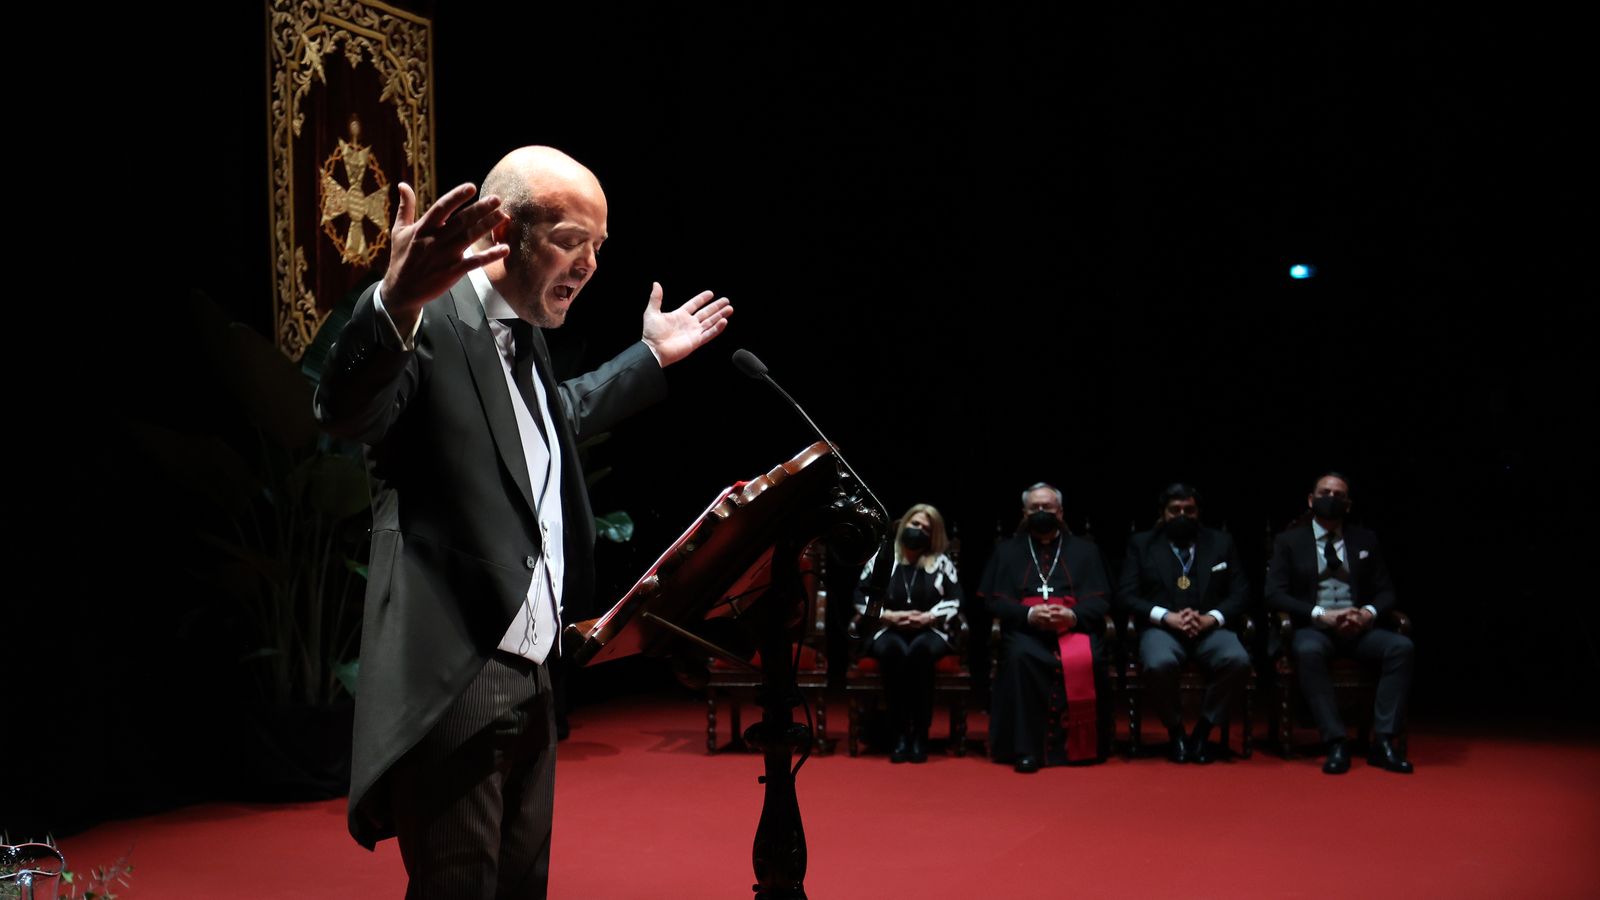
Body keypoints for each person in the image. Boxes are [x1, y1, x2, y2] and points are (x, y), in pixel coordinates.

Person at [314, 145, 733, 897]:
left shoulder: (522, 335)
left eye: (599, 248)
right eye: (573, 242)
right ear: (504, 230)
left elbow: (553, 417)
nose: (590, 266)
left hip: (535, 681)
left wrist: (649, 358)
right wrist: (394, 304)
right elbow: (347, 412)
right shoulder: (431, 322)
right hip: (456, 681)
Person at [1265, 472, 1415, 775]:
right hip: (1315, 628)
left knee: (1401, 647)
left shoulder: (1365, 539)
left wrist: (1367, 613)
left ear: (1348, 504)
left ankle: (1384, 740)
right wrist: (1321, 615)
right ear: (1311, 499)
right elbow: (1274, 595)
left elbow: (1386, 590)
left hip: (1358, 629)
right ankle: (1335, 741)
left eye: (1338, 495)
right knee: (1307, 650)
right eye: (1324, 492)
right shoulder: (1289, 541)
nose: (1330, 499)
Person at [979, 483, 1112, 772]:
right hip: (1025, 629)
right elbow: (993, 602)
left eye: (1048, 507)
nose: (1041, 512)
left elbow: (1101, 601)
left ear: (1061, 512)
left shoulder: (1086, 551)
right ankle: (1026, 750)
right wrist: (1028, 614)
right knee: (1020, 658)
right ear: (1024, 513)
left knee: (1094, 657)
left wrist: (1071, 615)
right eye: (1035, 508)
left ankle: (1083, 747)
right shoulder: (1006, 551)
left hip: (1073, 628)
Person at [1118, 483, 1251, 763]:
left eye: (1188, 510)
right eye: (1175, 510)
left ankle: (1203, 730)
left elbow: (1240, 593)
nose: (1182, 515)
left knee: (1237, 659)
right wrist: (1166, 616)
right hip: (1162, 628)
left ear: (1198, 512)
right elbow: (1126, 595)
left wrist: (1210, 619)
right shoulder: (1142, 544)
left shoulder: (1220, 542)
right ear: (1163, 514)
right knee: (1158, 663)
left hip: (1209, 628)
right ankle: (1176, 730)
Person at [854, 504, 962, 763]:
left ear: (933, 534)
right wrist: (888, 616)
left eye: (926, 528)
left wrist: (928, 617)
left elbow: (956, 600)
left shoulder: (941, 563)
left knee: (920, 653)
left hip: (931, 630)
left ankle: (920, 733)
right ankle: (900, 733)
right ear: (904, 525)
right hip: (889, 628)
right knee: (893, 652)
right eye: (915, 524)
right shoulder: (883, 558)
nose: (919, 530)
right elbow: (861, 596)